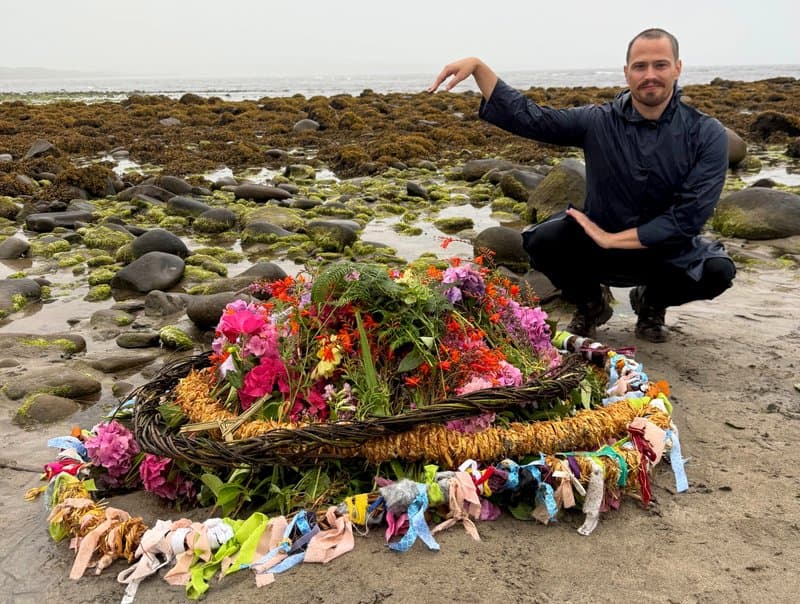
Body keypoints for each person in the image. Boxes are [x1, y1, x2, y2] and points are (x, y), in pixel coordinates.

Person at [428, 28, 736, 343]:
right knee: (542, 239)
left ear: (677, 68)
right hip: (598, 247)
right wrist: (480, 68)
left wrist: (614, 239)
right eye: (640, 66)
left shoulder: (706, 133)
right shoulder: (597, 121)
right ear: (626, 72)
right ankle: (590, 305)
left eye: (660, 65)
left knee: (717, 271)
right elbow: (535, 119)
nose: (650, 75)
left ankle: (652, 303)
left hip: (666, 250)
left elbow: (690, 217)